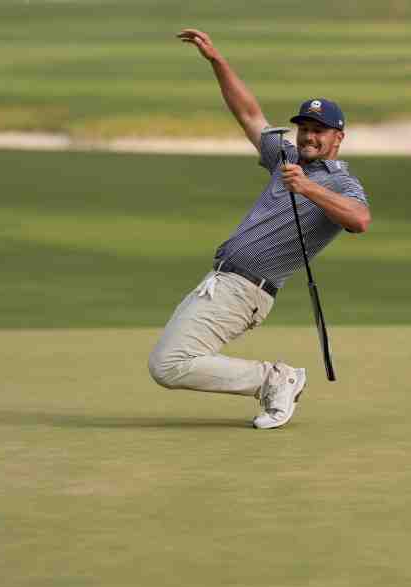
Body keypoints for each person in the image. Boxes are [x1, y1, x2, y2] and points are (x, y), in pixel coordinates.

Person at [148, 29, 371, 429]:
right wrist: (217, 61)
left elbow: (359, 220)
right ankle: (273, 378)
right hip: (221, 281)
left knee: (169, 365)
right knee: (168, 361)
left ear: (339, 138)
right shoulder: (285, 155)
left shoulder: (341, 182)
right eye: (304, 128)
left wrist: (307, 187)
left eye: (318, 130)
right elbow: (249, 114)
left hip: (248, 288)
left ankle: (274, 378)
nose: (308, 136)